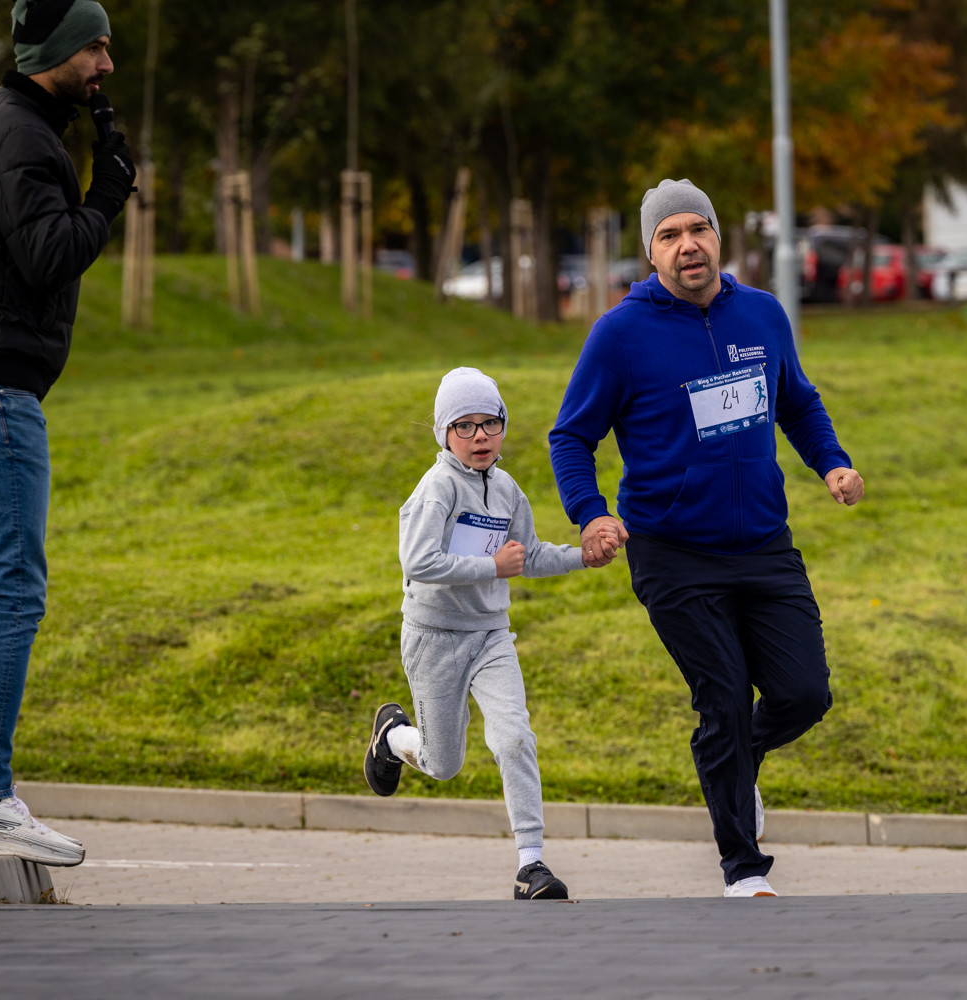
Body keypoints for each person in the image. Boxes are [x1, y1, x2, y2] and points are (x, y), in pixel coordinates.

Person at [549, 179, 864, 898]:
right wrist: (590, 513)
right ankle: (743, 868)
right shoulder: (620, 334)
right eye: (669, 235)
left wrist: (833, 463)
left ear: (718, 238)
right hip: (673, 551)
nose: (687, 245)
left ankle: (734, 767)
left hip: (763, 542)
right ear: (650, 251)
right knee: (721, 698)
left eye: (699, 229)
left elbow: (798, 402)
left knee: (804, 694)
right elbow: (571, 435)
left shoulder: (762, 313)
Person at [0, 0, 134, 867]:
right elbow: (50, 254)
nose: (106, 65)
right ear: (56, 51)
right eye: (95, 48)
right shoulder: (20, 135)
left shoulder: (12, 125)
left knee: (2, 591)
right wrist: (108, 191)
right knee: (11, 594)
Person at [362, 367, 620, 900]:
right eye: (464, 426)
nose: (479, 436)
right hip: (433, 636)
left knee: (515, 738)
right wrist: (491, 568)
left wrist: (583, 557)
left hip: (490, 636)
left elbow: (529, 556)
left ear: (503, 426)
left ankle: (532, 865)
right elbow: (418, 562)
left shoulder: (506, 490)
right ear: (444, 433)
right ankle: (392, 737)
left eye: (490, 423)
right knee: (443, 764)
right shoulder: (437, 489)